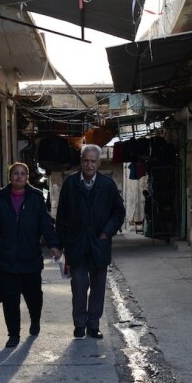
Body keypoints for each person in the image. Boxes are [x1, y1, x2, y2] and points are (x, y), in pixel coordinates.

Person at [0, 162, 61, 348]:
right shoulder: (0, 198)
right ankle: (13, 334)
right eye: (15, 173)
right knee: (10, 299)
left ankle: (35, 320)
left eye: (22, 174)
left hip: (30, 258)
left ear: (27, 177)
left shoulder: (35, 198)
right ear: (10, 177)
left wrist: (54, 245)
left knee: (34, 297)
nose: (18, 176)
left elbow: (45, 225)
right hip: (6, 259)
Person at [56, 144, 126, 339]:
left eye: (93, 161)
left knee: (98, 285)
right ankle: (79, 324)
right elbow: (61, 215)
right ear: (81, 161)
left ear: (99, 163)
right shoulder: (70, 184)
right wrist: (59, 244)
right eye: (86, 160)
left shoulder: (107, 185)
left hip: (99, 243)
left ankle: (93, 325)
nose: (89, 165)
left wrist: (107, 232)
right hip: (76, 244)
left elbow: (119, 212)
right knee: (79, 284)